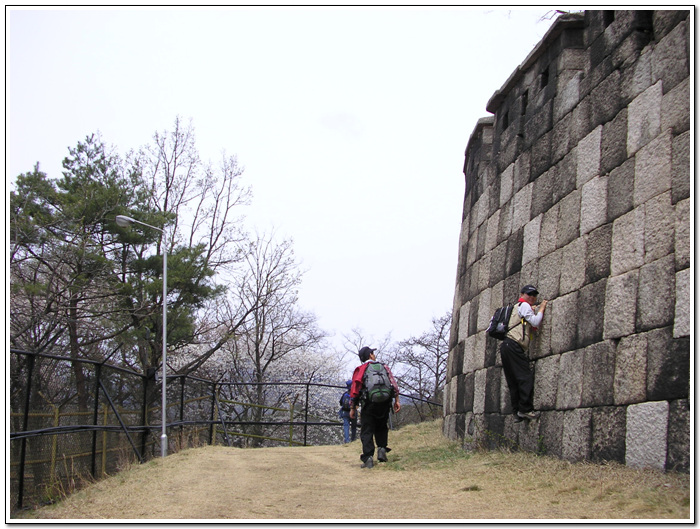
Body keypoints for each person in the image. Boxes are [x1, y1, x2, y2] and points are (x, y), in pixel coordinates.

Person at [500, 284, 548, 422]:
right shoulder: (524, 305)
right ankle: (525, 409)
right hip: (513, 345)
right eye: (529, 294)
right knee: (525, 376)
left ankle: (517, 412)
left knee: (513, 380)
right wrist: (542, 309)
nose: (532, 297)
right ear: (522, 294)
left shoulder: (517, 307)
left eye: (534, 295)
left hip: (506, 346)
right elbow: (535, 321)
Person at [349, 346, 401, 468]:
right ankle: (382, 450)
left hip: (369, 404)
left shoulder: (361, 369)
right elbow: (393, 384)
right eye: (372, 353)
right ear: (370, 355)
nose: (374, 354)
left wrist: (353, 407)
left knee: (367, 430)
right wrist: (396, 400)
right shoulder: (384, 367)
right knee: (382, 426)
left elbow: (355, 390)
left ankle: (368, 458)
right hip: (385, 402)